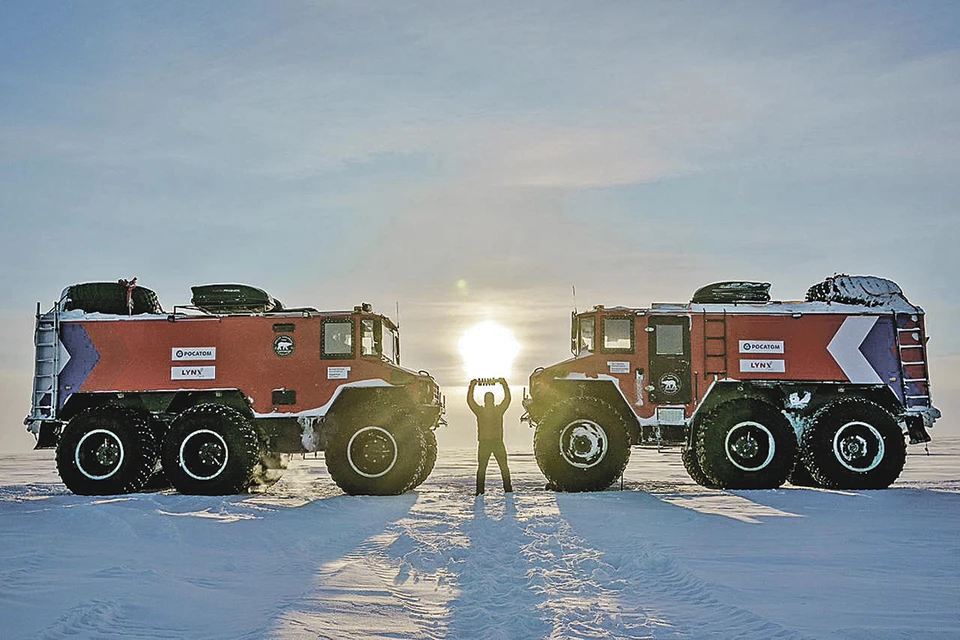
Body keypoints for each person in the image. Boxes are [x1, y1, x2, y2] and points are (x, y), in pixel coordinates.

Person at [468, 377, 513, 495]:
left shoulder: (481, 411)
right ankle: (508, 490)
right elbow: (507, 399)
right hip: (494, 442)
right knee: (503, 468)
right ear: (492, 400)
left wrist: (472, 386)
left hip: (488, 443)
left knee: (483, 469)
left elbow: (470, 400)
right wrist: (504, 384)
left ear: (486, 400)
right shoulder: (497, 410)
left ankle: (480, 492)